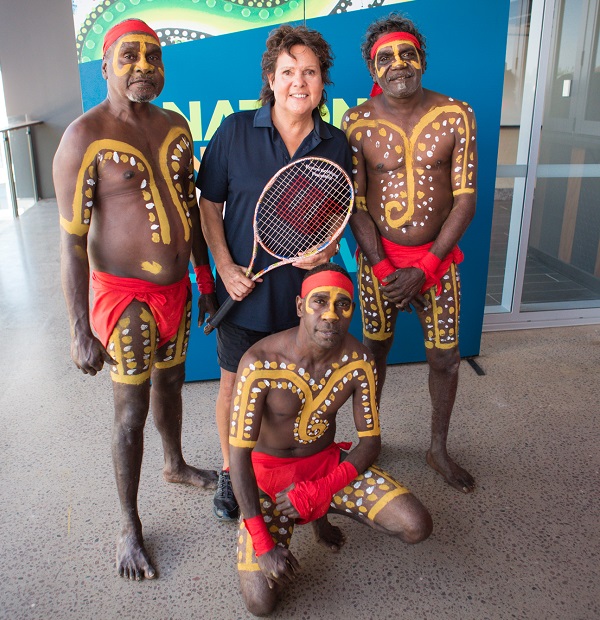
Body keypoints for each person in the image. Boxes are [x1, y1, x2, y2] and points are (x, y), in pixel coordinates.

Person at [53, 18, 218, 580]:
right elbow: (73, 242)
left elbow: (191, 212)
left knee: (171, 383)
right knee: (130, 412)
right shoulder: (83, 136)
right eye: (130, 56)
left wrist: (205, 280)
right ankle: (129, 527)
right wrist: (78, 328)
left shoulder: (175, 128)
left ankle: (173, 464)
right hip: (124, 297)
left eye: (153, 55)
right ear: (105, 66)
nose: (144, 66)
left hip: (176, 291)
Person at [197, 25, 352, 521]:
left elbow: (336, 215)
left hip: (301, 298)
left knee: (294, 389)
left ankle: (297, 471)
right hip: (240, 294)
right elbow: (209, 204)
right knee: (232, 388)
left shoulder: (337, 144)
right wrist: (223, 265)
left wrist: (325, 247)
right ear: (271, 78)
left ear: (323, 81)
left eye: (309, 72)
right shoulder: (236, 130)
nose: (298, 82)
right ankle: (229, 474)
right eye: (288, 72)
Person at [229, 263, 432, 616]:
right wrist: (263, 545)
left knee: (416, 525)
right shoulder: (259, 362)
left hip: (325, 470)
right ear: (299, 306)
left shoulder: (358, 361)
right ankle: (275, 524)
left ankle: (319, 513)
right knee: (260, 604)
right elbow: (238, 458)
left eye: (343, 305)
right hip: (267, 482)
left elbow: (370, 442)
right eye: (319, 301)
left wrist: (321, 491)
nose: (331, 315)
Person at [342, 13, 477, 493]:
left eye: (407, 53)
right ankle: (369, 442)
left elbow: (465, 200)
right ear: (372, 69)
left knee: (445, 358)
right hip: (378, 266)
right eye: (386, 58)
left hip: (436, 267)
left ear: (422, 58)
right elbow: (354, 204)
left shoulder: (456, 115)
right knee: (373, 350)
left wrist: (425, 266)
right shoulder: (356, 122)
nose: (399, 64)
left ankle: (437, 448)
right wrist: (382, 266)